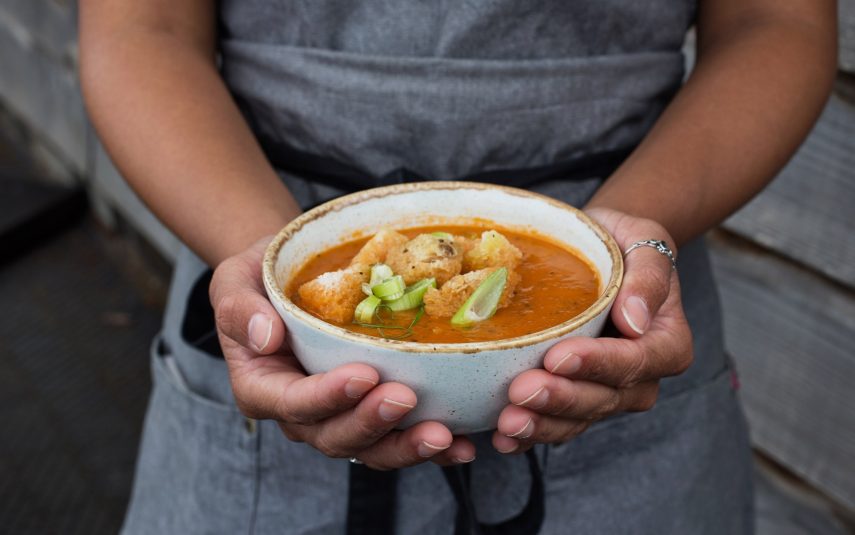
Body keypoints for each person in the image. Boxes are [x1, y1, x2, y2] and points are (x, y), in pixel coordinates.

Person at [79, 1, 837, 533]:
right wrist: (268, 259)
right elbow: (140, 26)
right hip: (257, 260)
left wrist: (631, 239)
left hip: (622, 304)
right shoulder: (273, 276)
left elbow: (774, 22)